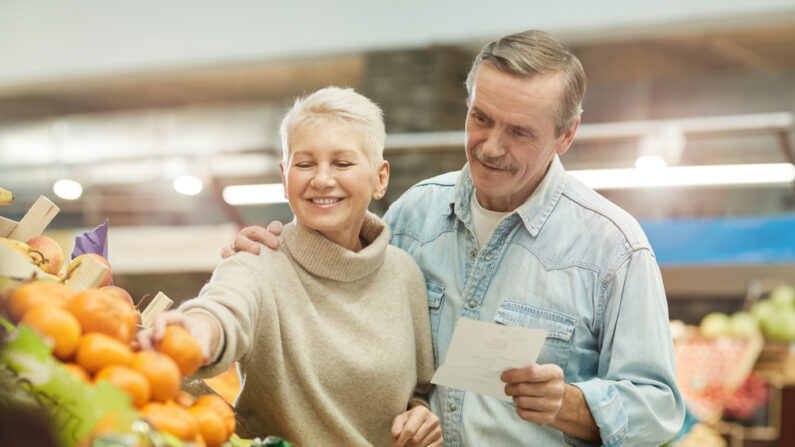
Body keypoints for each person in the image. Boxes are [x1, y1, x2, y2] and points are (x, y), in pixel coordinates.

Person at [225, 30, 685, 446]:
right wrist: (266, 258)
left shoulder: (612, 248)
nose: (490, 146)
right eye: (481, 118)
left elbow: (661, 405)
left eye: (519, 131)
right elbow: (339, 314)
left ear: (565, 136)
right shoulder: (412, 218)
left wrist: (568, 404)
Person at [139, 87, 442, 447]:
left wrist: (421, 415)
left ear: (380, 178)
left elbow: (419, 391)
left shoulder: (404, 273)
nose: (322, 179)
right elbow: (222, 311)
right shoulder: (256, 263)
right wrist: (194, 330)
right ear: (285, 177)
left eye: (342, 163)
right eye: (304, 164)